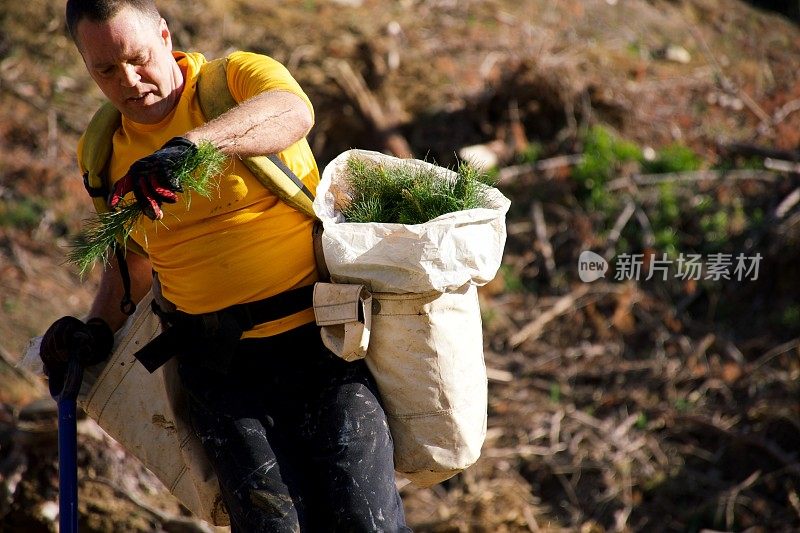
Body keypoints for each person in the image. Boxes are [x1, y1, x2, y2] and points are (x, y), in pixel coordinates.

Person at [39, 0, 410, 531]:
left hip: (326, 347)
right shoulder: (103, 153)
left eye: (138, 57)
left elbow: (293, 111)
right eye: (105, 69)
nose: (129, 79)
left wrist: (193, 146)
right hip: (219, 376)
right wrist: (94, 332)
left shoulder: (234, 81)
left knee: (365, 521)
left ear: (165, 38)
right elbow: (132, 266)